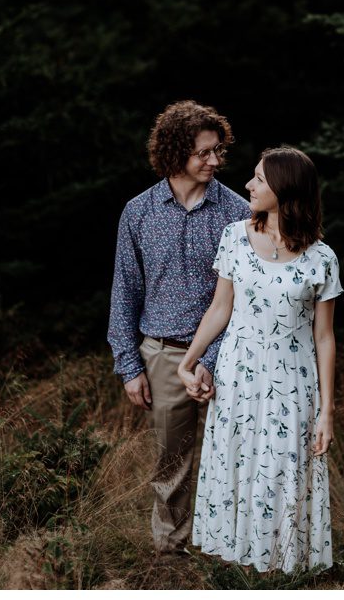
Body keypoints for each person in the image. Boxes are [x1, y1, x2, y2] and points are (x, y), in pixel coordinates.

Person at [178, 146, 342, 573]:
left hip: (293, 386)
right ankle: (238, 571)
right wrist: (189, 361)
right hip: (238, 379)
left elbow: (324, 337)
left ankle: (282, 571)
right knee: (239, 466)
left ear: (285, 191)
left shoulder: (322, 258)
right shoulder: (235, 236)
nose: (248, 185)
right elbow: (219, 309)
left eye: (259, 180)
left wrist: (327, 411)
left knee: (283, 473)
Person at [107, 100, 252, 553]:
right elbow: (124, 291)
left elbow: (244, 299)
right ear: (174, 154)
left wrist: (207, 360)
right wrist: (129, 365)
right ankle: (170, 554)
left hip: (227, 354)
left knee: (230, 458)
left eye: (218, 151)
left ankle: (227, 552)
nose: (214, 161)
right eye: (203, 153)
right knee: (172, 462)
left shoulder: (237, 212)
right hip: (163, 355)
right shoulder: (139, 212)